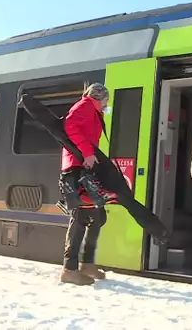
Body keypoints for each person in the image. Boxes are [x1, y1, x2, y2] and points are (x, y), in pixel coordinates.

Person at [58, 83, 111, 285]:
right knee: (80, 216)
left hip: (84, 166)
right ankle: (69, 269)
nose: (107, 104)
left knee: (97, 215)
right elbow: (70, 127)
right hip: (76, 167)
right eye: (106, 100)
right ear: (100, 98)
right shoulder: (84, 106)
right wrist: (88, 154)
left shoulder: (94, 110)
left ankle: (87, 263)